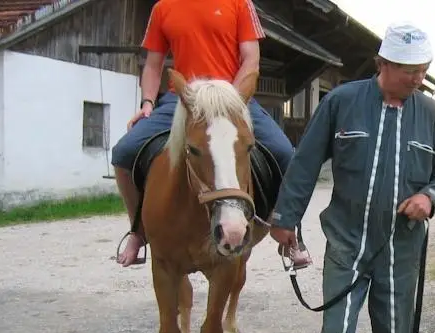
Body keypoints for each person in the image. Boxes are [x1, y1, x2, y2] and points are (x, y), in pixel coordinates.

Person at [268, 22, 435, 333]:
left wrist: (429, 197)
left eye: (422, 70)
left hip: (401, 251)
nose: (416, 78)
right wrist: (284, 219)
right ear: (382, 63)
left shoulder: (433, 117)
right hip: (347, 247)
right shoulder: (342, 102)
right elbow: (305, 162)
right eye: (408, 70)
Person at [111, 0, 311, 268]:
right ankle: (138, 231)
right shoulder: (163, 7)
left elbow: (251, 59)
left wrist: (232, 100)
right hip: (183, 100)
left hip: (230, 97)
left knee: (285, 153)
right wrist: (147, 103)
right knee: (123, 153)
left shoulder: (239, 4)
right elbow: (153, 64)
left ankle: (289, 234)